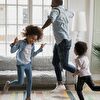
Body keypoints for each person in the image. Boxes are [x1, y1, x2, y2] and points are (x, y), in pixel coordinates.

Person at [42, 0, 78, 92]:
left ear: (57, 2)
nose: (51, 2)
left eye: (52, 1)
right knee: (55, 62)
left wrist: (42, 28)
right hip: (60, 41)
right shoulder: (65, 11)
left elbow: (51, 19)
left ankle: (83, 74)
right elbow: (72, 14)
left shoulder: (55, 10)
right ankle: (60, 84)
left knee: (64, 65)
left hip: (63, 41)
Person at [3, 25, 46, 100]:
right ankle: (9, 84)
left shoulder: (32, 45)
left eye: (35, 40)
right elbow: (12, 51)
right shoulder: (21, 43)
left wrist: (40, 49)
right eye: (32, 38)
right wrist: (13, 43)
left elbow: (32, 55)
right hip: (21, 65)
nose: (33, 40)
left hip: (28, 64)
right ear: (28, 35)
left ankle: (28, 97)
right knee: (20, 82)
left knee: (30, 81)